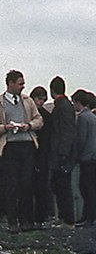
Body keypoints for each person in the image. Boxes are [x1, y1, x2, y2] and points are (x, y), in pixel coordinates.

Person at [0, 70, 43, 232]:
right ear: (10, 84)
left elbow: (39, 120)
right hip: (9, 147)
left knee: (27, 183)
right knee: (11, 184)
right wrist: (5, 127)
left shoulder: (28, 101)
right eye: (20, 83)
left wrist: (29, 126)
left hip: (27, 146)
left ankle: (27, 220)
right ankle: (12, 221)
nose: (22, 86)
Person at [48, 76, 76, 229]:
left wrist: (63, 154)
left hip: (61, 153)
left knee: (63, 186)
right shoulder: (66, 106)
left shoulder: (62, 107)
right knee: (61, 185)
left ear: (52, 90)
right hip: (63, 152)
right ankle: (65, 217)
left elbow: (65, 132)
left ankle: (68, 219)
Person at [29, 86, 53, 227]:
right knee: (40, 187)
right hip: (41, 154)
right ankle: (40, 216)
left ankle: (37, 216)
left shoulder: (32, 114)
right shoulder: (46, 115)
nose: (41, 102)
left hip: (36, 153)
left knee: (34, 187)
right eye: (40, 99)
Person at [72, 89, 96, 229]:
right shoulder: (93, 117)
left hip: (87, 158)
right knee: (92, 187)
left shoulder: (82, 118)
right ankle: (90, 216)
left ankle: (89, 216)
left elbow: (81, 140)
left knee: (86, 188)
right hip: (94, 156)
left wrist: (76, 156)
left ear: (78, 102)